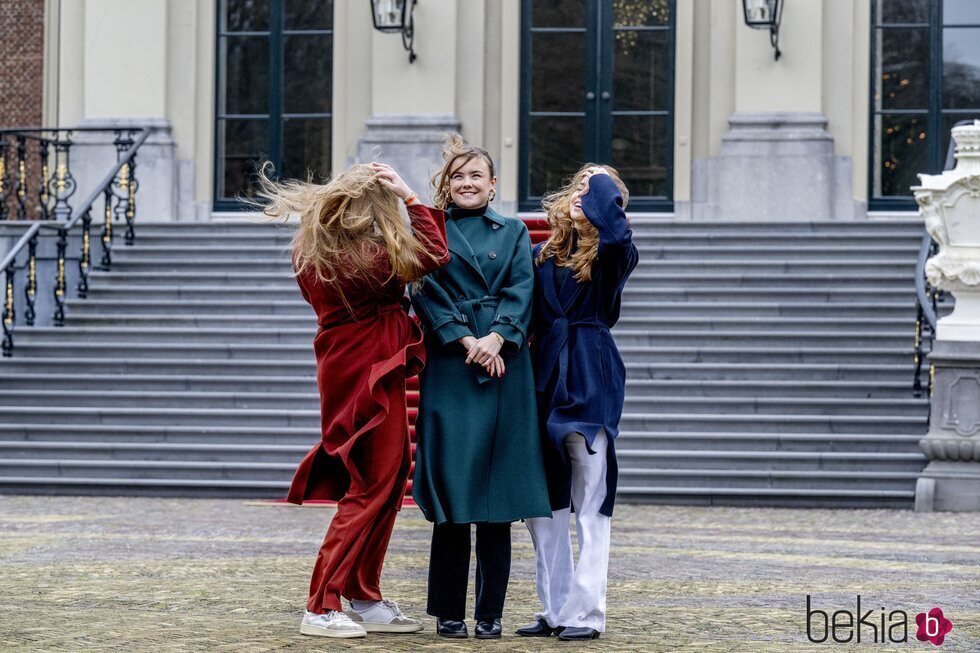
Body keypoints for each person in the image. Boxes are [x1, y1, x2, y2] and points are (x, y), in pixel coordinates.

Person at [259, 161, 450, 638]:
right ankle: (321, 605)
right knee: (370, 485)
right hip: (367, 364)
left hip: (350, 362)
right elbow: (432, 255)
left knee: (387, 479)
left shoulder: (315, 251)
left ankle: (364, 595)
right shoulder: (369, 257)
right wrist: (411, 198)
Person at [410, 135, 552, 640]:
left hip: (504, 367)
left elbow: (523, 289)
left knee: (497, 499)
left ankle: (490, 613)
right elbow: (422, 288)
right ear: (446, 184)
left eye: (476, 176)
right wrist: (465, 338)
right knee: (455, 495)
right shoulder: (430, 231)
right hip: (453, 366)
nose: (467, 183)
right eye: (458, 176)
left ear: (493, 185)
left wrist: (497, 337)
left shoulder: (513, 231)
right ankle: (449, 612)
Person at [518, 164, 638, 641]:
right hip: (543, 379)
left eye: (596, 187)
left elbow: (613, 230)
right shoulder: (541, 254)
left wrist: (600, 180)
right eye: (579, 182)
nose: (584, 190)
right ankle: (555, 608)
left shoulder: (615, 253)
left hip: (591, 376)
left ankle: (587, 613)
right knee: (544, 505)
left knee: (591, 500)